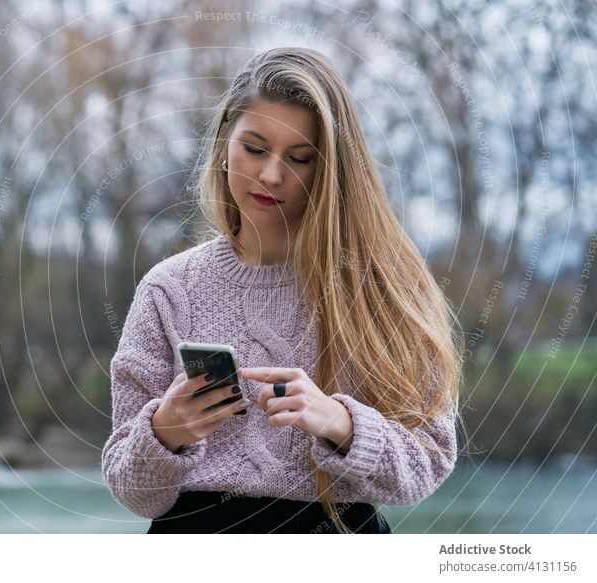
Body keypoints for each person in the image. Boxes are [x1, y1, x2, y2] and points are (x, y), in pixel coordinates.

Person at [101, 46, 462, 534]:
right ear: (224, 141)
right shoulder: (169, 289)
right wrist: (165, 433)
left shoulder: (382, 287)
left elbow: (428, 464)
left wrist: (340, 423)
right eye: (253, 147)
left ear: (332, 168)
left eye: (299, 158)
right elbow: (133, 492)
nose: (271, 175)